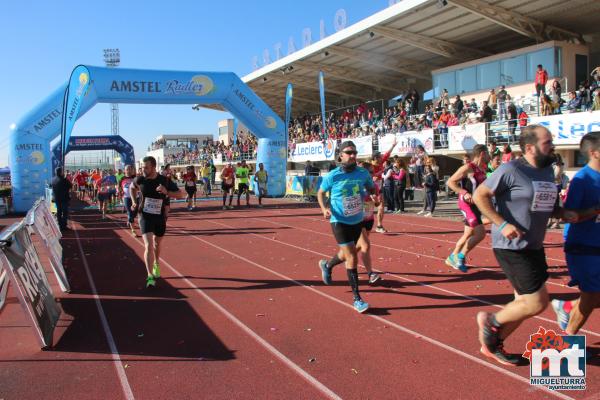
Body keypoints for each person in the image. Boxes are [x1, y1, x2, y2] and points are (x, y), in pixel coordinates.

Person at [473, 124, 576, 366]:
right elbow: (480, 195)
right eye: (547, 142)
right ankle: (491, 321)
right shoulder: (510, 169)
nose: (552, 146)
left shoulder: (548, 171)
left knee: (524, 305)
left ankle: (491, 345)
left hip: (534, 244)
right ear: (529, 147)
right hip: (512, 245)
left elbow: (544, 204)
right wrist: (502, 223)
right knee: (536, 302)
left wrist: (564, 213)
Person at [317, 141, 377, 313]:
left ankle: (327, 266)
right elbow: (320, 192)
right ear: (340, 155)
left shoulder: (363, 173)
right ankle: (357, 299)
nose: (352, 155)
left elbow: (371, 188)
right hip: (339, 220)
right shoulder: (333, 176)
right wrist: (324, 208)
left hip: (357, 219)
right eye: (349, 152)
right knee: (352, 257)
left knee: (347, 253)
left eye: (354, 152)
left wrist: (373, 196)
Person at [551, 132, 600, 335]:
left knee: (594, 297)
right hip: (583, 245)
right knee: (591, 295)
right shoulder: (582, 179)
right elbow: (567, 215)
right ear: (594, 152)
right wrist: (595, 210)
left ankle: (568, 307)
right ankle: (568, 339)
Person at [130, 156, 185, 288]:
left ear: (154, 167)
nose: (144, 169)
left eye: (146, 167)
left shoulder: (164, 180)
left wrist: (167, 192)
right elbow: (132, 187)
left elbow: (180, 194)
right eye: (143, 167)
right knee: (148, 245)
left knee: (156, 244)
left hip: (159, 217)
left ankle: (156, 263)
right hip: (144, 216)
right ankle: (149, 276)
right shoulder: (140, 179)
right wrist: (133, 202)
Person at [444, 145, 490, 272]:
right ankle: (460, 256)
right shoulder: (468, 167)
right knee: (480, 234)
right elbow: (450, 182)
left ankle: (451, 257)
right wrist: (464, 192)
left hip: (476, 204)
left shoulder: (483, 169)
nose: (489, 155)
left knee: (468, 234)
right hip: (466, 204)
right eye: (487, 153)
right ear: (482, 154)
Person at [371, 137, 397, 233]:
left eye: (381, 156)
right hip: (369, 190)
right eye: (379, 156)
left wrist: (393, 146)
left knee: (381, 207)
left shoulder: (381, 162)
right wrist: (378, 174)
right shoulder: (370, 166)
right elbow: (371, 177)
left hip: (379, 188)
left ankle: (379, 225)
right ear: (374, 158)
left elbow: (387, 154)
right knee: (367, 209)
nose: (382, 157)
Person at [51, 167, 72, 231]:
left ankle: (59, 225)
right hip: (64, 199)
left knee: (58, 212)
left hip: (56, 199)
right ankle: (64, 226)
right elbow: (70, 185)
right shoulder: (64, 179)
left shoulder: (52, 179)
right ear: (61, 172)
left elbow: (50, 186)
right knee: (65, 213)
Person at [120, 165, 138, 237]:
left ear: (132, 170)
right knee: (130, 213)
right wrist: (119, 191)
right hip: (126, 197)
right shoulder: (122, 178)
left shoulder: (135, 178)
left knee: (135, 213)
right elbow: (119, 187)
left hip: (135, 197)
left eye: (130, 169)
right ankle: (133, 230)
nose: (129, 170)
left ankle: (130, 219)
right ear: (125, 170)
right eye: (127, 169)